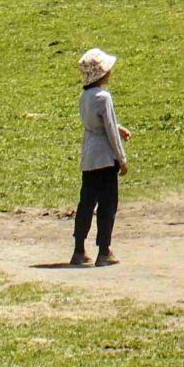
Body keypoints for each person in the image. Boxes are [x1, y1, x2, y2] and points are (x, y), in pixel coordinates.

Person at [72, 48, 128, 266]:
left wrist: (118, 127)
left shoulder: (84, 96)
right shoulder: (104, 97)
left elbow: (97, 123)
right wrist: (121, 159)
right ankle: (104, 250)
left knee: (86, 202)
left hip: (88, 156)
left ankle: (79, 249)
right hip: (105, 157)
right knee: (107, 203)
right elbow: (110, 130)